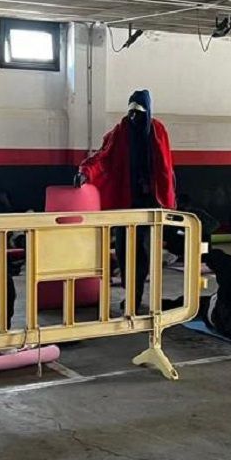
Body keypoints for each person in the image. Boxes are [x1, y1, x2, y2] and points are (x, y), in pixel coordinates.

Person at [76, 89, 175, 313]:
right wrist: (85, 172)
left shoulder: (158, 131)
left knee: (142, 252)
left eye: (138, 113)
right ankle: (131, 295)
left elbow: (166, 168)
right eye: (130, 112)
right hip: (125, 202)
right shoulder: (120, 132)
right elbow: (102, 157)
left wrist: (167, 200)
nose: (133, 118)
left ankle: (135, 296)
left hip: (150, 204)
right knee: (123, 251)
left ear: (147, 112)